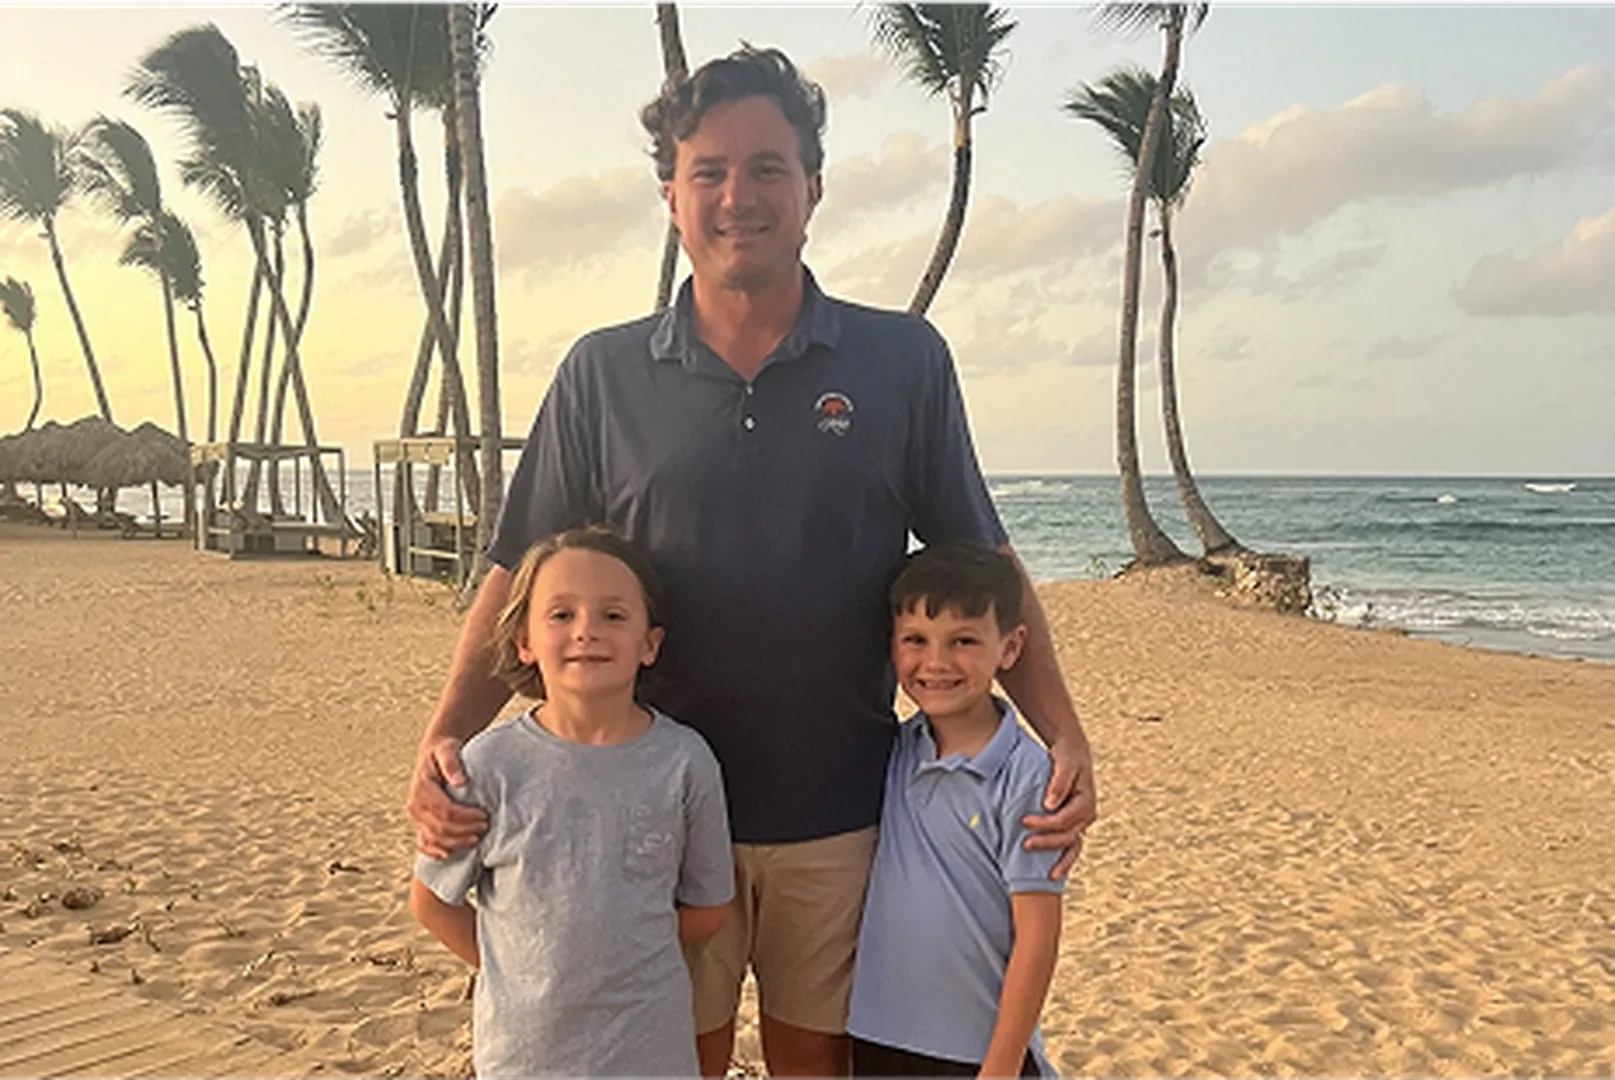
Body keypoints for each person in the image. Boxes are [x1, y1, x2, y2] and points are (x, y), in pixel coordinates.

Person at [408, 45, 1098, 1080]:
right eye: (711, 172)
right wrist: (444, 740)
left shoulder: (902, 361)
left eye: (768, 168)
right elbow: (515, 575)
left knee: (814, 1065)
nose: (740, 196)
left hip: (839, 811)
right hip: (645, 810)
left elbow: (983, 562)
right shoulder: (602, 373)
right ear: (671, 197)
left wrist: (1064, 733)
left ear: (812, 189)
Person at [410, 528, 734, 1080]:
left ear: (650, 644)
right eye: (561, 615)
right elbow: (431, 901)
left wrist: (621, 957)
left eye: (613, 616)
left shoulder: (685, 762)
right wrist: (520, 969)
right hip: (524, 1057)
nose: (587, 631)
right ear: (523, 642)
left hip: (651, 1053)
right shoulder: (487, 766)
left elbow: (707, 910)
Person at [848, 543, 1064, 1080]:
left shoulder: (1027, 775)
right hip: (876, 1036)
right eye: (915, 641)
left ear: (1010, 648)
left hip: (977, 1049)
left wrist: (1003, 1064)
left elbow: (1038, 937)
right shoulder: (894, 751)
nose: (936, 663)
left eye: (963, 641)